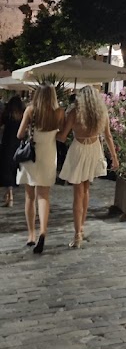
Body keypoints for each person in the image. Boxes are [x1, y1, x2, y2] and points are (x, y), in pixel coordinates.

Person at [58, 85, 119, 249]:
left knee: (78, 193)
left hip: (78, 149)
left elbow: (62, 137)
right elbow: (108, 136)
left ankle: (77, 233)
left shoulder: (74, 113)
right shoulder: (101, 114)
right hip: (94, 150)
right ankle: (82, 228)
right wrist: (114, 157)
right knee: (85, 190)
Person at [16, 84, 65, 253]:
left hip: (32, 155)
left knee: (29, 196)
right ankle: (43, 232)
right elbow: (62, 136)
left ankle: (31, 235)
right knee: (43, 196)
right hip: (48, 155)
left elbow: (20, 134)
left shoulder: (31, 111)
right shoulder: (59, 112)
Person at [0, 96, 25, 206]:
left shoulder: (7, 115)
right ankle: (9, 194)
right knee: (13, 168)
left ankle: (9, 195)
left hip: (6, 144)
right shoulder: (22, 115)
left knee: (6, 169)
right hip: (17, 144)